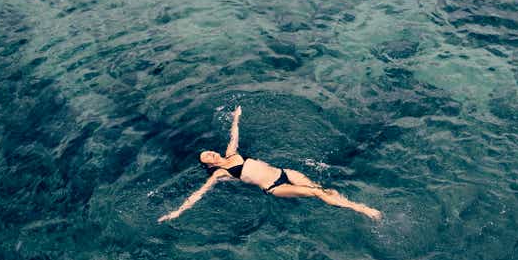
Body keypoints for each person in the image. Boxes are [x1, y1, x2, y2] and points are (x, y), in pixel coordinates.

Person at [158, 106, 382, 222]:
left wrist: (236, 117)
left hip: (285, 172)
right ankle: (362, 209)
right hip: (275, 187)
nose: (210, 154)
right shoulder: (219, 174)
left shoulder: (230, 153)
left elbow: (234, 134)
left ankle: (350, 205)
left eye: (208, 152)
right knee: (316, 194)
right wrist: (177, 212)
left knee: (321, 190)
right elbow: (200, 193)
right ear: (208, 165)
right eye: (206, 157)